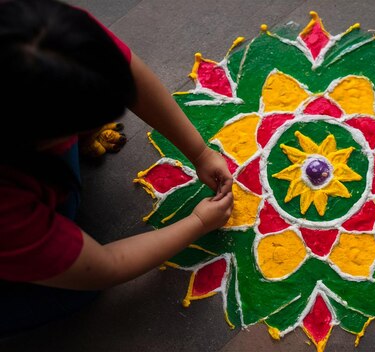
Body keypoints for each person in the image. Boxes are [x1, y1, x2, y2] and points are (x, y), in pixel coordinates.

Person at [0, 0, 234, 334]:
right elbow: (105, 267)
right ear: (30, 139)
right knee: (74, 291)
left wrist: (200, 152)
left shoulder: (42, 36)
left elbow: (125, 72)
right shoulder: (8, 209)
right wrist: (197, 223)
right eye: (80, 124)